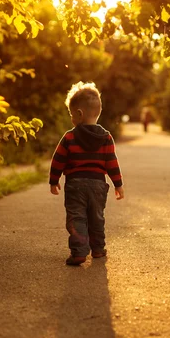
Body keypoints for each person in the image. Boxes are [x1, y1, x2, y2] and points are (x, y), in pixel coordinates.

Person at [49, 81, 124, 266]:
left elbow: (58, 159)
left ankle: (79, 252)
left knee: (77, 218)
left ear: (79, 114)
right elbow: (112, 163)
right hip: (98, 185)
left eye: (71, 115)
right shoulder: (106, 137)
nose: (71, 119)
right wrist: (118, 185)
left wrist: (54, 180)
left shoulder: (69, 137)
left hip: (75, 185)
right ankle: (98, 249)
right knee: (97, 217)